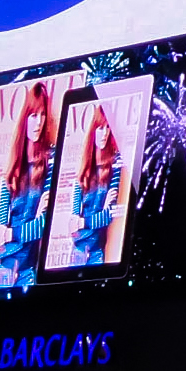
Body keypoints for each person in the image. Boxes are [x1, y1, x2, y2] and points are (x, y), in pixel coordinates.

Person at [0, 86, 57, 287]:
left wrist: (11, 233)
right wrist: (8, 234)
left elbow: (44, 226)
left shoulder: (51, 160)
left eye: (42, 115)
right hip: (5, 264)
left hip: (30, 270)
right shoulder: (12, 165)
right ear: (25, 118)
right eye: (33, 115)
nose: (38, 122)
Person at [70, 108, 123, 265]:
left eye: (108, 128)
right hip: (77, 251)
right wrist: (82, 222)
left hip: (97, 254)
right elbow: (72, 224)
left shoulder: (115, 165)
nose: (105, 133)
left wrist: (82, 222)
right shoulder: (83, 171)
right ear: (93, 130)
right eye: (101, 128)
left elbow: (108, 216)